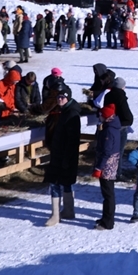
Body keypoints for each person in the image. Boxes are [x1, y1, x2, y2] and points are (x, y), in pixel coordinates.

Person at [43, 84, 81, 227]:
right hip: (60, 154)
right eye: (58, 97)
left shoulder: (71, 114)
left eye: (63, 97)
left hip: (64, 156)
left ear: (68, 98)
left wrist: (66, 159)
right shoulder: (65, 111)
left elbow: (72, 140)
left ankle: (55, 215)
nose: (60, 100)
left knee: (55, 183)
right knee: (64, 183)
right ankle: (68, 211)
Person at [92, 103, 122, 230]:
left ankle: (108, 222)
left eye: (101, 116)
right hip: (111, 165)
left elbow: (106, 151)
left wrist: (99, 168)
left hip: (107, 167)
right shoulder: (113, 126)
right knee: (108, 194)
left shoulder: (109, 131)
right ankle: (106, 218)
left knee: (108, 195)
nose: (100, 118)